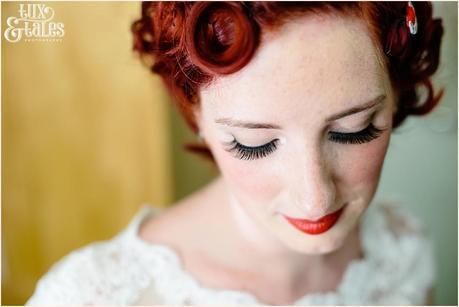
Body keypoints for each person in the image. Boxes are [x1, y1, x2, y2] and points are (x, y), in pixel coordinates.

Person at [27, 1, 444, 305]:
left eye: (355, 131)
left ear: (396, 97)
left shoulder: (399, 248)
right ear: (196, 115)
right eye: (254, 143)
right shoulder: (90, 296)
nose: (314, 198)